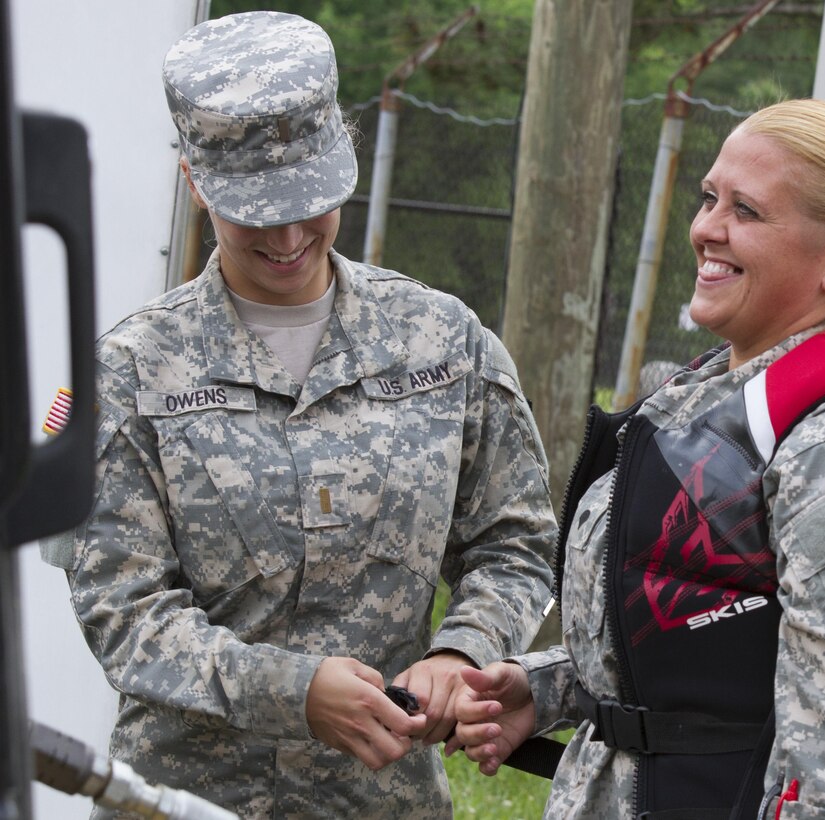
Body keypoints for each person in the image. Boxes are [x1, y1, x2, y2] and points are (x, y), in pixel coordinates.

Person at [39, 10, 555, 819]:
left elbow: (514, 542)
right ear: (194, 182)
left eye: (308, 200)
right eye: (254, 207)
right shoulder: (128, 374)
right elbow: (124, 610)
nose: (287, 235)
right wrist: (291, 692)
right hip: (185, 803)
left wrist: (464, 648)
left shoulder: (443, 342)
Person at [449, 99, 825, 819]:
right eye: (709, 198)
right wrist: (555, 687)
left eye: (746, 211)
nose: (705, 228)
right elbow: (731, 638)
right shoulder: (721, 392)